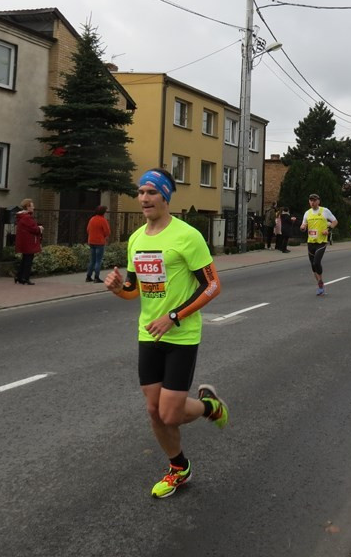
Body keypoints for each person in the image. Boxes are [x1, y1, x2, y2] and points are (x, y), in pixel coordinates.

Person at [103, 168, 227, 498]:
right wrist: (118, 288)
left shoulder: (187, 236)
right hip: (149, 334)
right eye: (141, 192)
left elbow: (213, 285)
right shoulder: (136, 239)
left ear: (165, 197)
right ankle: (178, 468)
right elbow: (134, 289)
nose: (144, 198)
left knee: (170, 412)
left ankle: (208, 406)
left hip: (181, 335)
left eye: (151, 192)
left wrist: (174, 316)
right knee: (153, 411)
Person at [301, 194, 338, 296]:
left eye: (314, 200)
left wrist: (329, 229)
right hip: (310, 242)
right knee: (313, 266)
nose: (312, 202)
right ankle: (320, 283)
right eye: (311, 200)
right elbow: (303, 224)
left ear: (318, 201)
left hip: (321, 242)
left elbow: (335, 221)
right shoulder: (307, 213)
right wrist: (303, 227)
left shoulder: (324, 211)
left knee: (317, 262)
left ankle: (320, 283)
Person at [14, 198, 43, 285]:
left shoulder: (22, 217)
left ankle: (19, 277)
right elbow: (33, 229)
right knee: (28, 260)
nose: (33, 207)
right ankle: (25, 278)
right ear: (28, 207)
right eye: (32, 206)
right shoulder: (26, 217)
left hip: (24, 241)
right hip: (29, 242)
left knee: (24, 259)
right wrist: (40, 228)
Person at [86, 205, 111, 282]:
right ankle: (96, 277)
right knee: (98, 261)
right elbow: (107, 232)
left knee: (92, 260)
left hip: (91, 241)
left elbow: (88, 229)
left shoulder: (92, 219)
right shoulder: (103, 220)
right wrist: (103, 235)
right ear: (103, 212)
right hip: (99, 242)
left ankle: (88, 276)